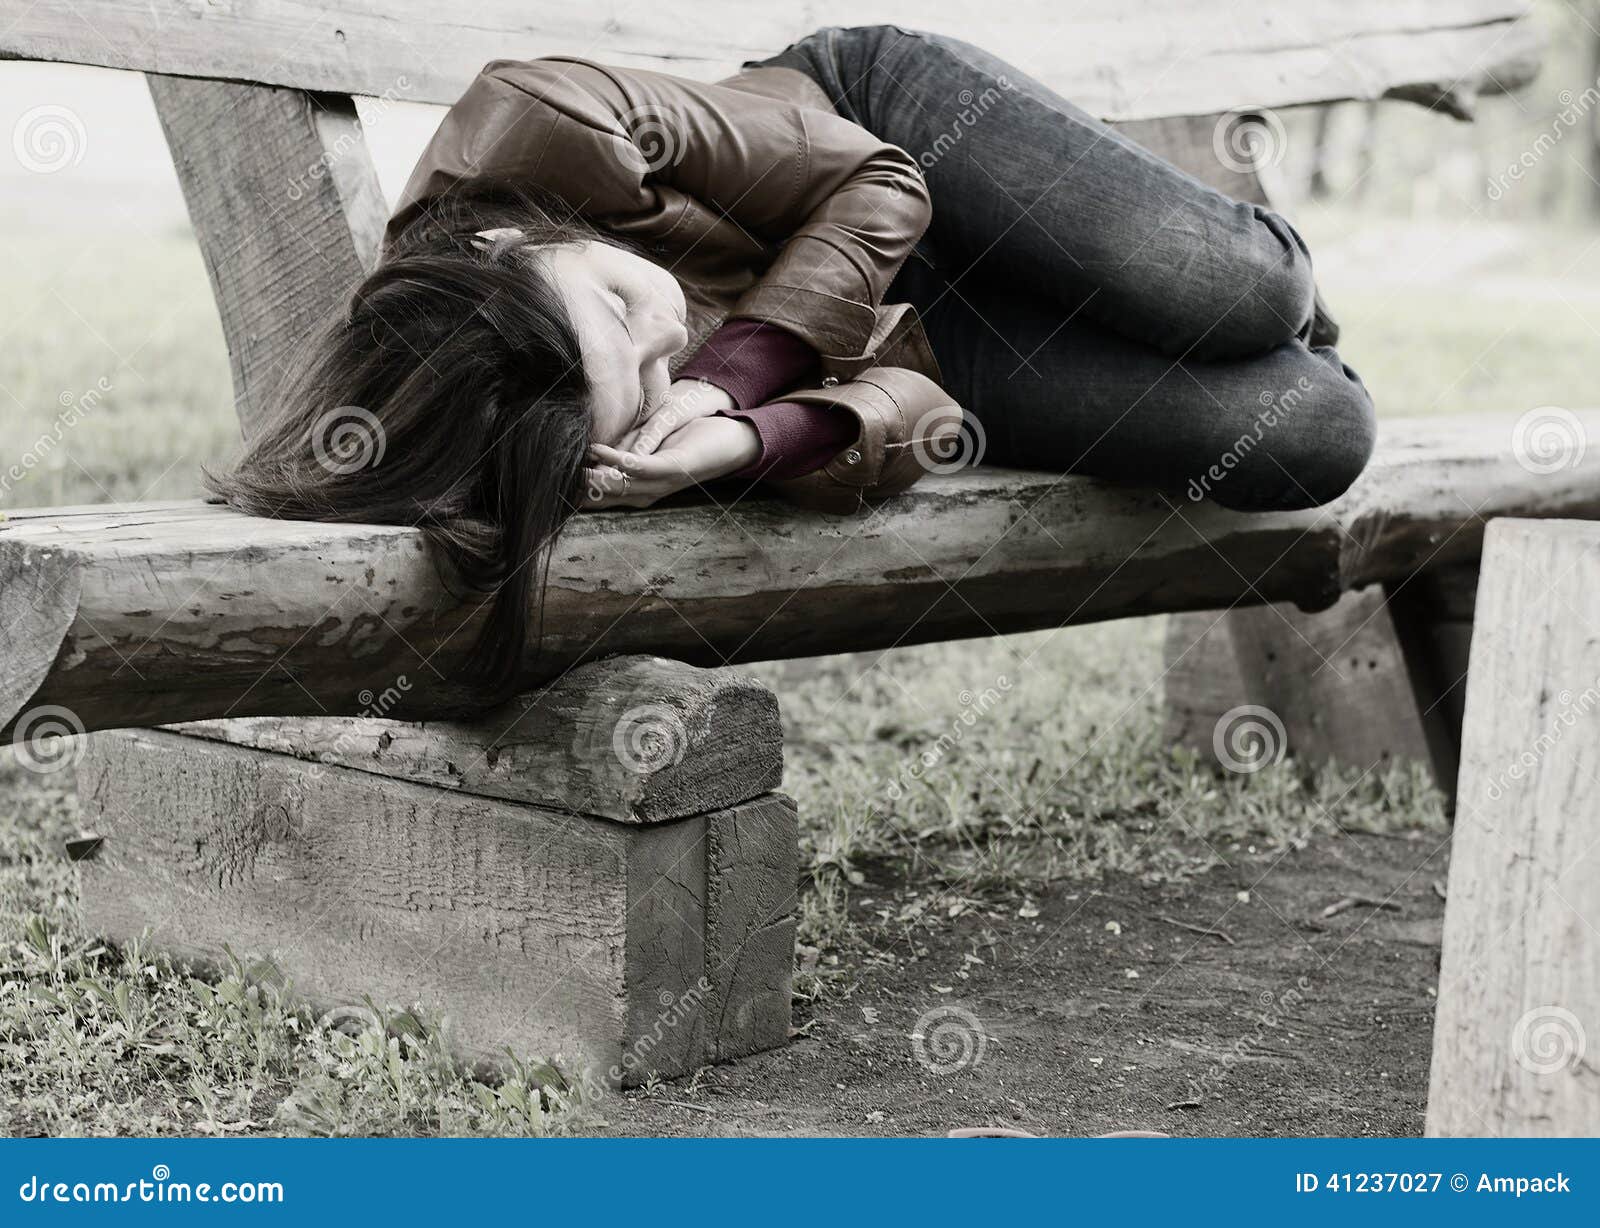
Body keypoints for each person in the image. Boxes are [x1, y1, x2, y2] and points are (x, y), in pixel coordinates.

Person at [212, 25, 1376, 684]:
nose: (665, 336)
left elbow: (877, 181)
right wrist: (754, 437)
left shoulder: (542, 121)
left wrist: (734, 372)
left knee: (1241, 288)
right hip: (919, 328)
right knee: (1318, 434)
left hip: (889, 139)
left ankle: (1254, 300)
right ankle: (1197, 318)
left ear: (519, 245)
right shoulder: (549, 422)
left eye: (618, 308)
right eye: (645, 384)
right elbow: (924, 415)